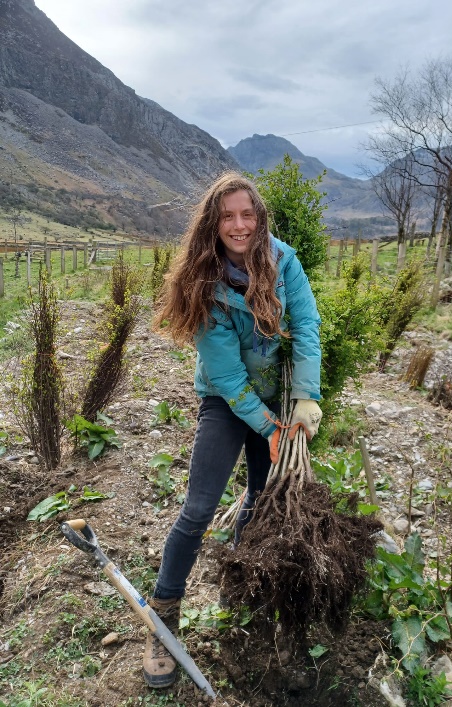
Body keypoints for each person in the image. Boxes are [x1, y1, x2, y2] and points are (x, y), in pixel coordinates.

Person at [144, 172, 322, 688]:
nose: (239, 225)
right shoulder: (203, 279)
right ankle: (163, 614)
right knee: (199, 507)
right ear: (213, 223)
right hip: (227, 400)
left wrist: (305, 398)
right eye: (227, 217)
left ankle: (242, 585)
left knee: (262, 501)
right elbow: (224, 373)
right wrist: (267, 424)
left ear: (259, 217)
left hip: (276, 396)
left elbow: (307, 326)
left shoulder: (284, 263)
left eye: (247, 214)